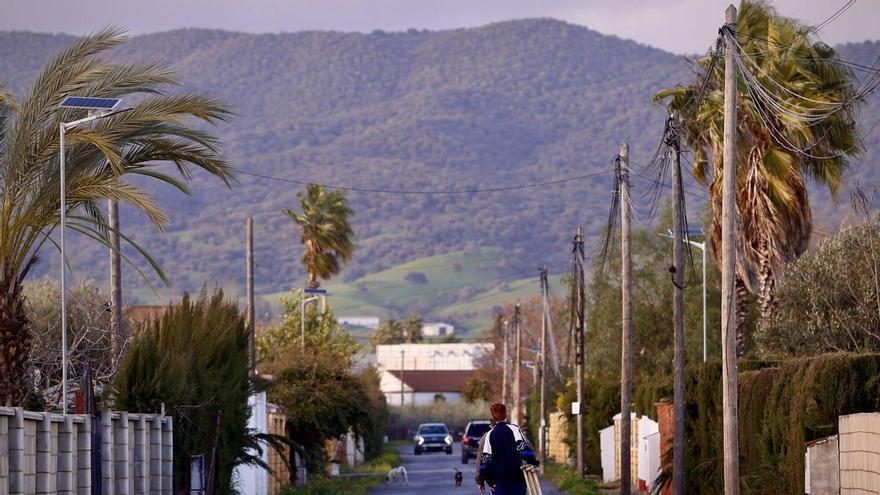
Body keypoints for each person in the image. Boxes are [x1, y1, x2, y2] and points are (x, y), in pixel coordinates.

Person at [477, 403, 539, 495]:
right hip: (516, 478)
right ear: (506, 414)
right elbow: (523, 449)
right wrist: (533, 462)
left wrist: (481, 480)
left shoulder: (489, 435)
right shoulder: (514, 429)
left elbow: (486, 460)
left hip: (498, 480)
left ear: (492, 417)